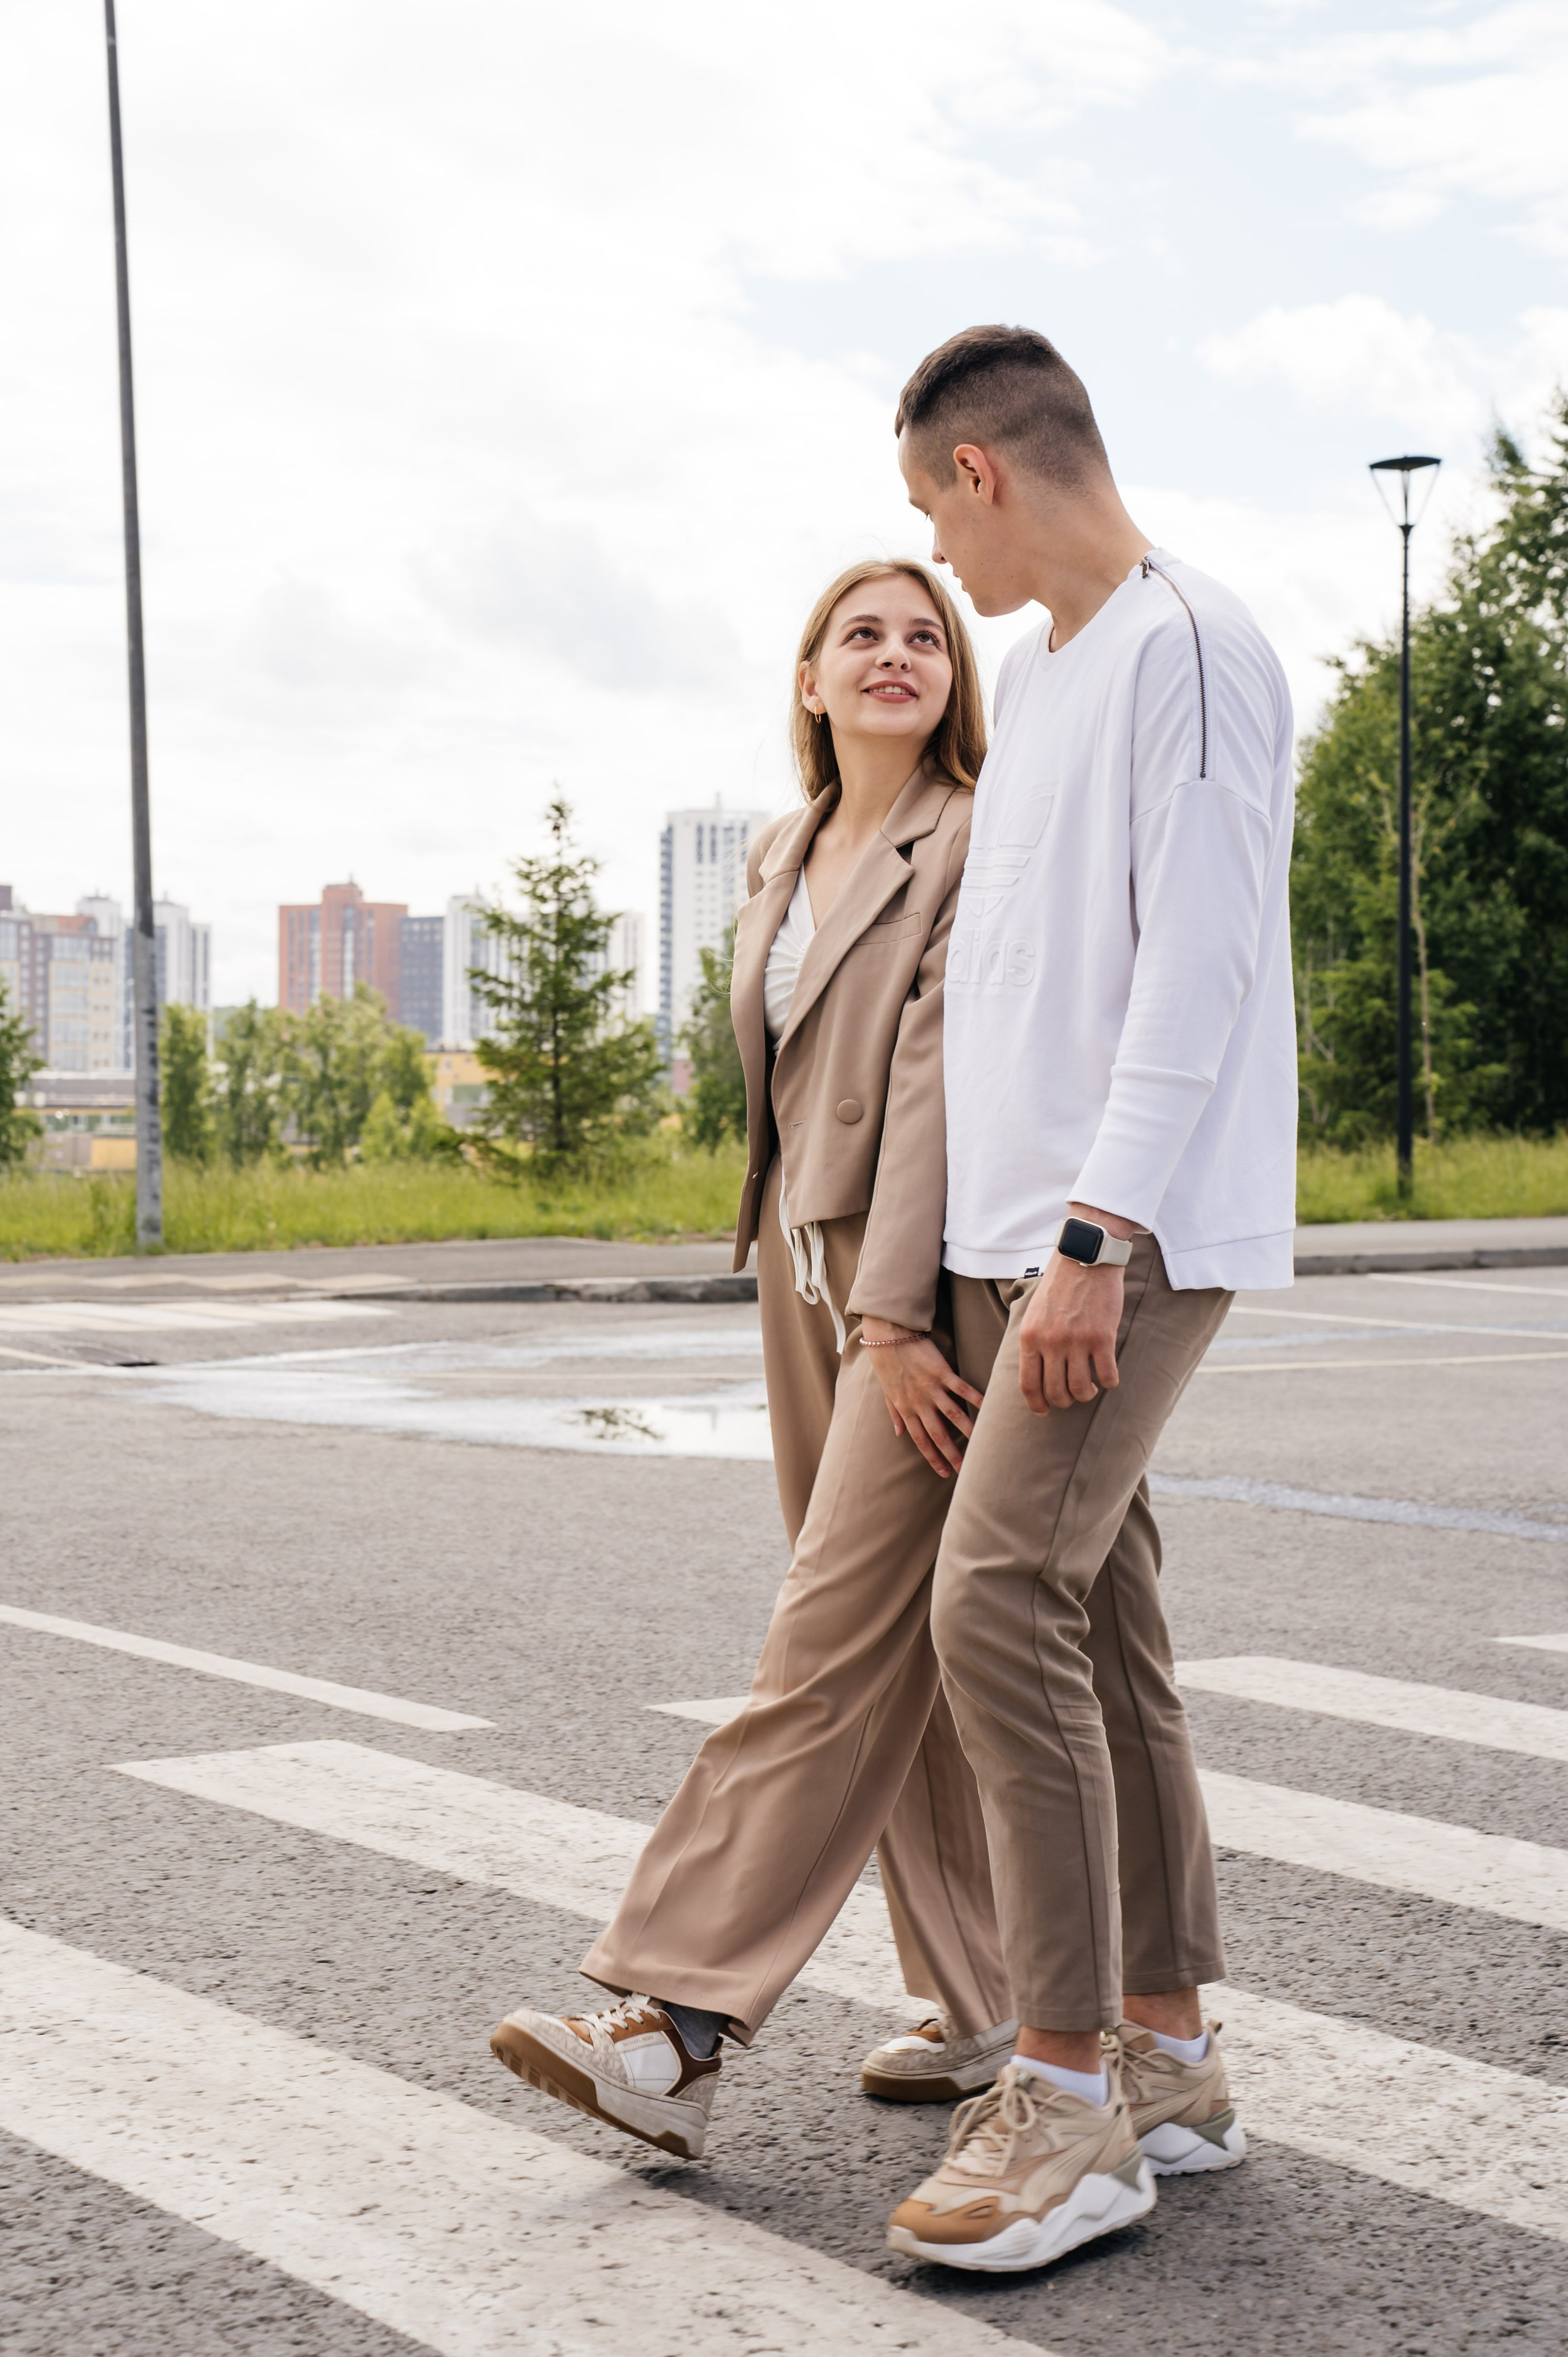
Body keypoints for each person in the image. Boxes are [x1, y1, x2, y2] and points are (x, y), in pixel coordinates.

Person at [490, 558, 1018, 2159]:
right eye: (860, 632)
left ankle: (676, 2021)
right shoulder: (785, 850)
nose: (895, 652)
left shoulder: (974, 835)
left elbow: (938, 1075)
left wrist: (897, 1312)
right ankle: (989, 1997)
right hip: (804, 1271)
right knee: (892, 1647)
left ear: (955, 682)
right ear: (808, 679)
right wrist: (808, 1266)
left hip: (905, 1283)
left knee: (824, 1642)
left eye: (926, 634)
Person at [878, 325, 1298, 2275]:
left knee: (995, 1597)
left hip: (1117, 1239)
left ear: (983, 473)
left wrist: (1092, 1240)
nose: (939, 570)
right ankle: (1175, 2055)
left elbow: (1196, 969)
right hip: (1025, 1236)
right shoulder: (1046, 673)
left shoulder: (1188, 647)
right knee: (1107, 1618)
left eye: (929, 515)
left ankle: (1063, 2103)